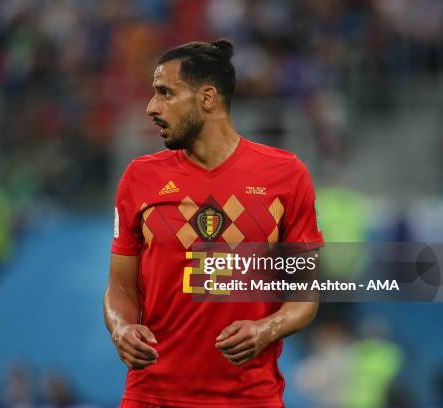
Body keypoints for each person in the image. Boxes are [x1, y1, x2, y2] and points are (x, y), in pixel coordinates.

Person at [103, 40, 325, 407]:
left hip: (250, 397)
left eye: (165, 94)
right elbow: (120, 289)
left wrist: (266, 328)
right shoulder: (138, 178)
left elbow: (305, 295)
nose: (151, 108)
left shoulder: (286, 175)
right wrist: (121, 328)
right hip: (152, 395)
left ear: (207, 98)